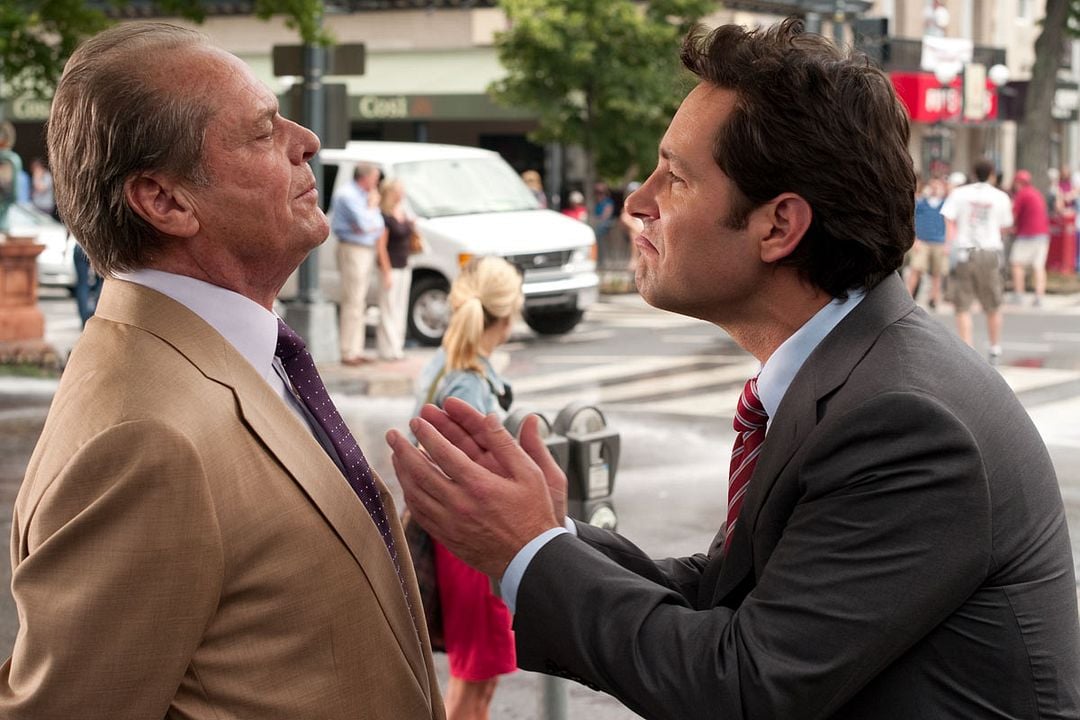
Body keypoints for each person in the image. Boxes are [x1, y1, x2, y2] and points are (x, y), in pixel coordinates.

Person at [386, 18, 1080, 720]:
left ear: (778, 226)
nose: (638, 203)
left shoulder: (903, 421)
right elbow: (727, 592)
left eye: (676, 178)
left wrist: (529, 550)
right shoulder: (854, 372)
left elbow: (742, 687)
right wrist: (548, 533)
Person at [0, 23, 444, 719]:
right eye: (263, 131)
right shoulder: (143, 439)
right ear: (166, 201)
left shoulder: (232, 352)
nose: (307, 141)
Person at [412, 256, 523, 720]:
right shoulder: (470, 382)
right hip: (472, 540)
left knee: (473, 674)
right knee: (476, 681)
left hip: (453, 533)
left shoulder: (446, 363)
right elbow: (471, 475)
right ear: (509, 314)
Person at [940, 159, 1013, 363]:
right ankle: (994, 347)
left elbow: (948, 218)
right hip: (989, 251)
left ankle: (968, 351)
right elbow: (1005, 226)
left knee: (962, 305)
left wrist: (949, 243)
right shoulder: (1000, 196)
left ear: (972, 173)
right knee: (993, 303)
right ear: (992, 174)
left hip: (964, 250)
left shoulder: (959, 193)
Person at [332, 162, 385, 365]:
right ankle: (347, 351)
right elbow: (366, 224)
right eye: (375, 178)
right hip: (352, 249)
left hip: (364, 248)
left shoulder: (364, 196)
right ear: (365, 177)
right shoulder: (348, 195)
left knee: (360, 301)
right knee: (352, 300)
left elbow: (378, 226)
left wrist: (369, 217)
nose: (377, 183)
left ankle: (357, 349)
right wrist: (371, 208)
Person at [376, 177, 414, 360]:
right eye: (399, 190)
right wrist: (386, 271)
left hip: (404, 265)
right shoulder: (384, 216)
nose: (402, 194)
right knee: (388, 308)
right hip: (391, 266)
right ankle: (389, 349)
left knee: (400, 308)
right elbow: (381, 246)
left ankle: (397, 345)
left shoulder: (403, 211)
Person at [1008, 169, 1051, 306]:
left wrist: (1009, 228)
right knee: (1038, 266)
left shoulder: (1022, 194)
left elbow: (1012, 215)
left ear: (1018, 182)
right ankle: (1039, 296)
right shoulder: (1036, 193)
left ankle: (1019, 294)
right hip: (1043, 234)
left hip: (1027, 234)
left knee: (1017, 263)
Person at [906, 177, 948, 308]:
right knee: (916, 269)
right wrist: (915, 240)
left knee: (937, 273)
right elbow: (912, 220)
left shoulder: (945, 204)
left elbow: (949, 224)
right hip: (922, 241)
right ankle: (907, 298)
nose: (935, 188)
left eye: (937, 186)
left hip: (939, 242)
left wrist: (947, 243)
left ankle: (934, 298)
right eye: (933, 185)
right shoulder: (921, 203)